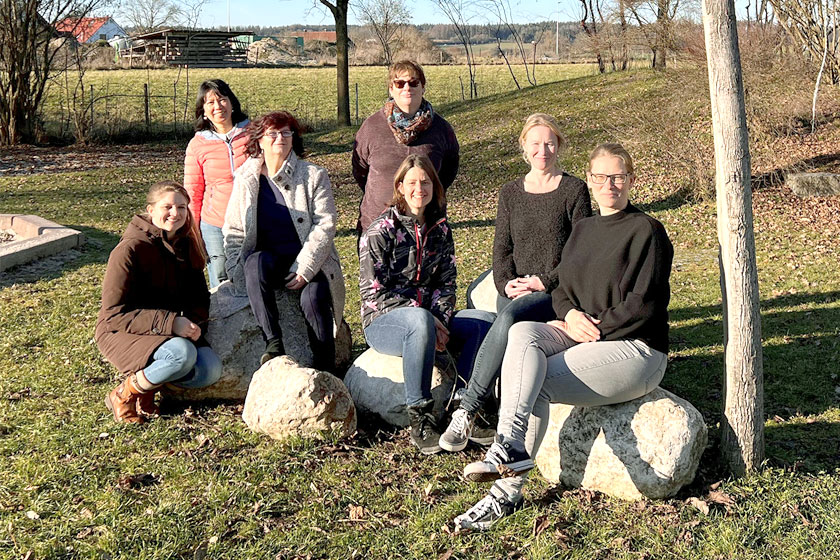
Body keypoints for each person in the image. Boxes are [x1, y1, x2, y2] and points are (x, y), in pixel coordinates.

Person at [452, 143, 674, 531]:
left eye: (618, 176)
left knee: (534, 382)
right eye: (601, 177)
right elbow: (561, 288)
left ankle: (504, 493)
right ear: (589, 179)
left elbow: (645, 304)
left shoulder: (647, 231)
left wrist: (594, 329)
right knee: (523, 332)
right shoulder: (584, 229)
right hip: (583, 334)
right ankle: (510, 445)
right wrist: (569, 315)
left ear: (632, 180)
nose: (609, 185)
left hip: (636, 349)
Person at [439, 113, 592, 452]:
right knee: (506, 314)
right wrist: (505, 283)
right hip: (515, 290)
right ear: (524, 146)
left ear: (559, 146)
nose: (543, 150)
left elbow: (581, 253)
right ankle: (486, 410)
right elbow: (502, 250)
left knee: (508, 319)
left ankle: (468, 408)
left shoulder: (574, 190)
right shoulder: (510, 192)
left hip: (556, 291)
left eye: (549, 143)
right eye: (535, 143)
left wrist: (543, 282)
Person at [223, 111, 345, 371]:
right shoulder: (246, 178)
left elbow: (325, 224)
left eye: (286, 132)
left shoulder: (313, 175)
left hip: (309, 262)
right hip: (270, 261)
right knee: (254, 263)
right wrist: (234, 267)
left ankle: (326, 371)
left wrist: (305, 268)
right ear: (259, 140)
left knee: (313, 300)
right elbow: (233, 229)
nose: (280, 138)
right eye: (273, 133)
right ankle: (273, 344)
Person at [96, 181, 222, 425]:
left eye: (182, 207)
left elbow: (198, 297)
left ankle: (148, 385)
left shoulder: (186, 245)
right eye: (168, 207)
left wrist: (194, 324)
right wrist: (171, 323)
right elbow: (114, 314)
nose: (175, 213)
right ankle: (123, 394)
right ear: (150, 210)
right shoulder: (129, 249)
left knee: (209, 370)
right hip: (121, 330)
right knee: (181, 354)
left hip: (165, 330)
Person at [359, 154, 458, 455]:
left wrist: (439, 320)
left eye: (425, 182)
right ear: (400, 187)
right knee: (419, 321)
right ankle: (420, 415)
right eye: (412, 182)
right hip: (384, 322)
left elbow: (447, 283)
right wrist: (425, 317)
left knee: (482, 322)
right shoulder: (380, 231)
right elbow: (373, 293)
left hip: (430, 320)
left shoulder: (440, 229)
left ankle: (468, 407)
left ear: (435, 187)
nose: (419, 189)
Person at [352, 60, 459, 236]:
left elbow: (449, 169)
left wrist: (425, 193)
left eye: (413, 82)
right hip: (377, 227)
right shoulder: (371, 127)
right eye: (400, 83)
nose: (407, 88)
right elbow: (359, 169)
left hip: (427, 225)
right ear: (391, 89)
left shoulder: (441, 129)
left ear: (423, 88)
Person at [184, 79, 250, 288]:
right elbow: (193, 191)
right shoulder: (197, 145)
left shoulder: (254, 134)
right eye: (210, 102)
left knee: (254, 274)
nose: (218, 106)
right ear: (203, 111)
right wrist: (194, 231)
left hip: (252, 219)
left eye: (222, 99)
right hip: (215, 224)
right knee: (221, 279)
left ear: (232, 103)